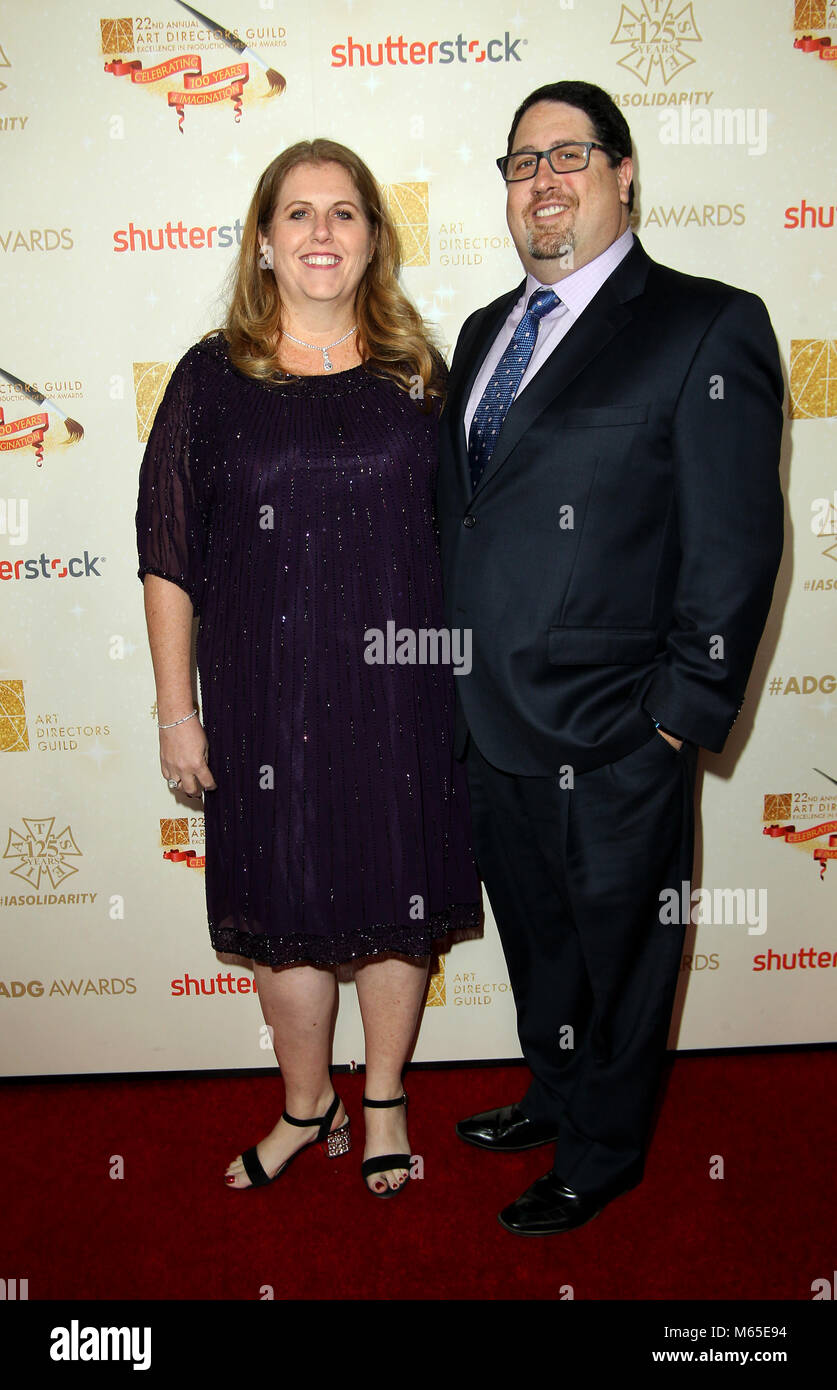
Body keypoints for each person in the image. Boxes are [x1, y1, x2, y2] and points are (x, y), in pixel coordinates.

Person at [436, 81, 784, 1235]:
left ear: (624, 173)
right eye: (521, 161)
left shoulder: (704, 323)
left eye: (569, 155)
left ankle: (605, 1149)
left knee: (625, 955)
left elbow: (737, 542)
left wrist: (678, 713)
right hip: (489, 721)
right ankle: (555, 1089)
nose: (542, 180)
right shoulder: (487, 332)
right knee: (539, 937)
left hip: (620, 726)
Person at [136, 138, 482, 1199]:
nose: (322, 231)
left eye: (345, 213)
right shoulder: (209, 377)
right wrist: (174, 711)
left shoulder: (422, 376)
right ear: (264, 241)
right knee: (280, 914)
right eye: (299, 213)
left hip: (401, 692)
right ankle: (305, 1103)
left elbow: (474, 541)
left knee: (397, 899)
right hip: (261, 700)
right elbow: (168, 552)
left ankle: (381, 1097)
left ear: (375, 239)